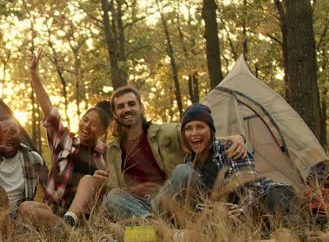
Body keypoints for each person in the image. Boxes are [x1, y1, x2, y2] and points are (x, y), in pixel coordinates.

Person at [101, 86, 247, 222]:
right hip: (139, 206)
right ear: (114, 113)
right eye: (121, 106)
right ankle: (163, 231)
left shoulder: (166, 132)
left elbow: (198, 137)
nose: (127, 109)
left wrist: (237, 138)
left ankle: (151, 231)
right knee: (113, 196)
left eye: (131, 104)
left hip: (172, 198)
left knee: (183, 171)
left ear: (141, 108)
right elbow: (113, 187)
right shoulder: (112, 150)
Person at [168, 103, 303, 232]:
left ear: (211, 130)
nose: (194, 133)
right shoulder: (187, 166)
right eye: (188, 128)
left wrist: (243, 209)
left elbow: (250, 186)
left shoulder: (229, 148)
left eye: (200, 127)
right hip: (229, 215)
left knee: (282, 207)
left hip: (260, 199)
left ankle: (297, 237)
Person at [17, 52, 112, 232]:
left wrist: (105, 184)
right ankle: (65, 231)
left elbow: (113, 191)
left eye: (94, 125)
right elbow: (49, 111)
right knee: (26, 207)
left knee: (88, 180)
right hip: (53, 210)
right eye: (85, 119)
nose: (86, 126)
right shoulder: (65, 141)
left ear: (102, 132)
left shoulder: (105, 156)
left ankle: (70, 224)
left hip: (84, 217)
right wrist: (34, 74)